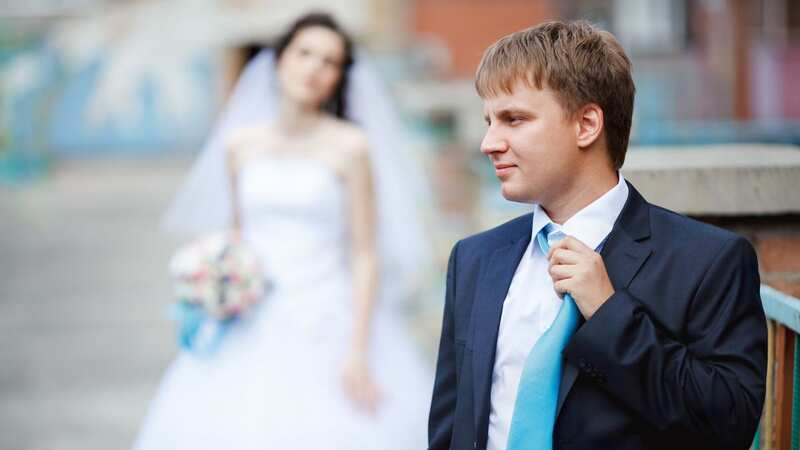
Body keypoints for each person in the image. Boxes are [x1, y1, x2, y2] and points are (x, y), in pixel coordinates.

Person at [427, 20, 766, 450]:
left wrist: (609, 314)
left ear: (587, 124)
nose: (489, 142)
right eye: (490, 121)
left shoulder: (708, 261)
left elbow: (728, 424)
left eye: (514, 119)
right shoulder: (474, 259)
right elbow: (451, 425)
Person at [134, 12, 431, 449]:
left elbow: (365, 252)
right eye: (305, 53)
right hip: (251, 314)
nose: (314, 68)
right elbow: (239, 234)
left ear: (338, 78)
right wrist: (219, 275)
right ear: (279, 61)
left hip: (328, 312)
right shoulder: (239, 143)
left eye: (329, 61)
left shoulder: (351, 147)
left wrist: (358, 350)